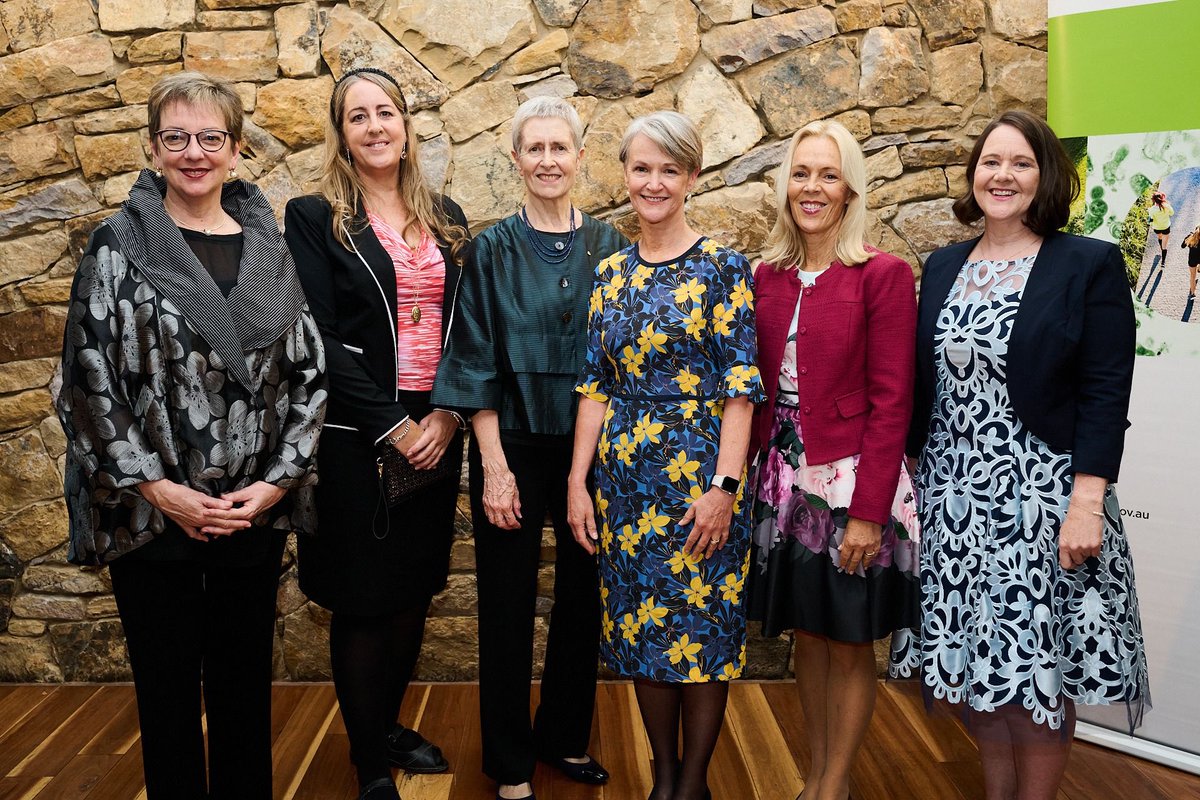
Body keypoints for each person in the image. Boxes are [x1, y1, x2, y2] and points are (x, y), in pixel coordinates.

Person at [56, 71, 326, 799]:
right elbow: (87, 383)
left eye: (211, 138)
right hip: (152, 512)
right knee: (168, 697)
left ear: (236, 151)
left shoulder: (271, 251)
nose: (194, 152)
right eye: (176, 138)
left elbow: (309, 379)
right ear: (153, 149)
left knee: (244, 692)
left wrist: (273, 485)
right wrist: (159, 487)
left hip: (249, 510)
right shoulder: (116, 246)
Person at [907, 109, 1150, 800]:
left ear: (1045, 177)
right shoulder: (945, 263)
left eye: (1020, 163)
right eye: (990, 162)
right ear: (973, 175)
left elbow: (1106, 391)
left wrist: (1087, 503)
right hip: (955, 503)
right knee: (982, 673)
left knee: (1036, 674)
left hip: (1040, 503)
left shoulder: (1088, 263)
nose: (1002, 175)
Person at [283, 67, 470, 800]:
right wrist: (393, 423)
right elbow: (317, 337)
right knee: (364, 598)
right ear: (342, 133)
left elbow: (467, 328)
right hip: (358, 431)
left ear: (405, 123)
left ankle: (386, 726)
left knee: (413, 590)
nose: (374, 126)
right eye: (357, 116)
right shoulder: (315, 215)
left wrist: (448, 414)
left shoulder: (445, 213)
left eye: (384, 112)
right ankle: (368, 764)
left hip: (436, 424)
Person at [433, 97, 627, 800]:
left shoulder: (612, 247)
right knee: (507, 605)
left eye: (560, 147)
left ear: (580, 157)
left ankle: (564, 738)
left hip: (591, 448)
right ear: (515, 160)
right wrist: (494, 469)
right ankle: (510, 761)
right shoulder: (487, 250)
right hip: (509, 443)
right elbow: (474, 356)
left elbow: (616, 362)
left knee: (584, 600)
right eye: (534, 148)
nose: (548, 160)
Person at [568, 111, 763, 800]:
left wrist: (725, 488)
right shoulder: (612, 273)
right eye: (642, 168)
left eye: (669, 169)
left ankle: (695, 783)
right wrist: (576, 481)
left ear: (692, 177)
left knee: (703, 631)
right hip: (625, 489)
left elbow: (742, 390)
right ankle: (664, 772)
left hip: (702, 482)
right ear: (624, 175)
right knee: (644, 629)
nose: (654, 182)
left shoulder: (723, 268)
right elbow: (595, 385)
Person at [745, 120, 920, 800]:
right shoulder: (768, 274)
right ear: (785, 185)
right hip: (782, 482)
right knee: (808, 639)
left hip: (851, 485)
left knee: (848, 640)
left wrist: (868, 515)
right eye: (801, 173)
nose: (812, 188)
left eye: (827, 174)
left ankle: (833, 784)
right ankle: (821, 776)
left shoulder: (881, 274)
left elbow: (892, 402)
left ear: (850, 188)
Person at [1149, 190, 1173, 266]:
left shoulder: (1151, 209)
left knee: (1160, 237)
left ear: (1153, 200)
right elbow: (1172, 213)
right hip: (1166, 227)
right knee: (1165, 245)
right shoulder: (1166, 206)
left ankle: (1161, 247)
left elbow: (1151, 220)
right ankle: (1163, 262)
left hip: (1157, 228)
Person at [1182, 224, 1199, 299]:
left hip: (1192, 260)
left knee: (1193, 276)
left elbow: (1182, 246)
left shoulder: (1190, 237)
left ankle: (1192, 293)